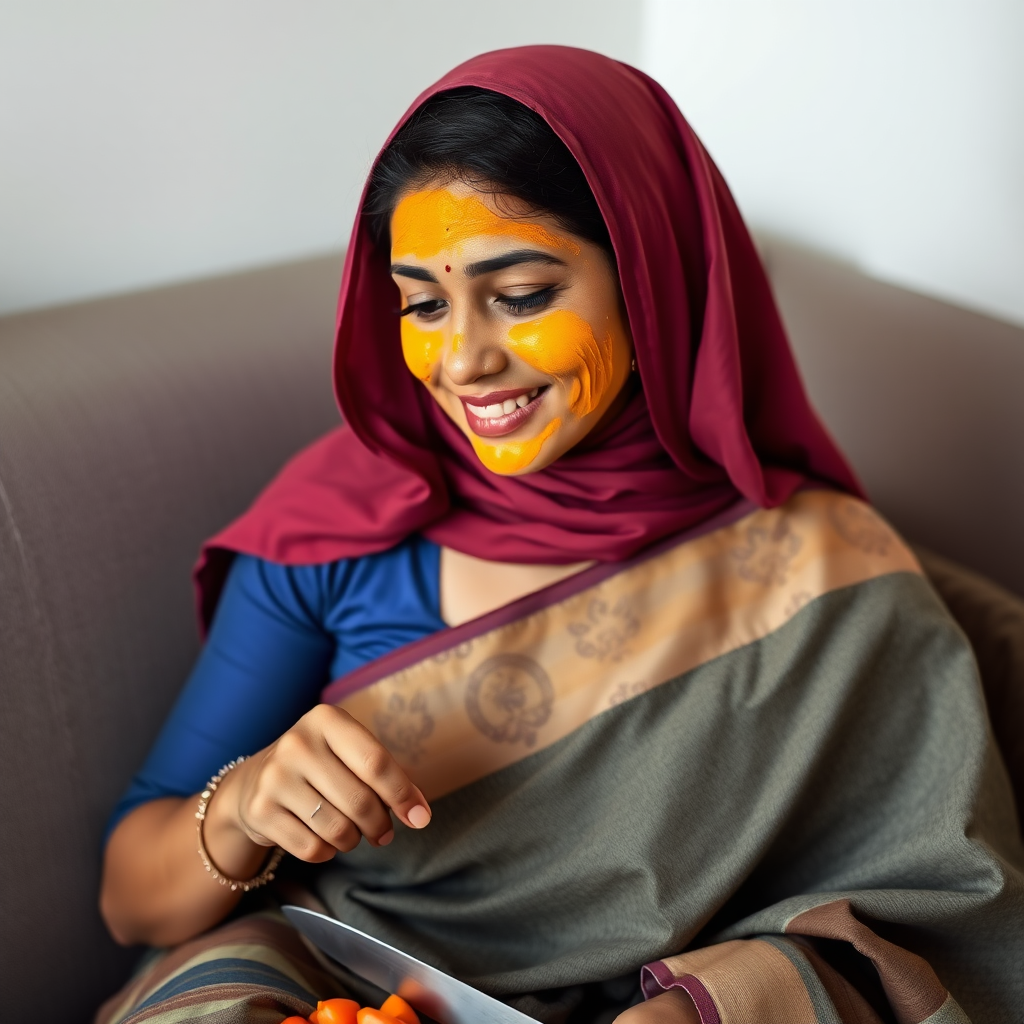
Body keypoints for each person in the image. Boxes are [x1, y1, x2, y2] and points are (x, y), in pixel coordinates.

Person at [98, 46, 1024, 1024]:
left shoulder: (819, 566)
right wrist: (244, 807)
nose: (462, 359)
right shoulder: (338, 526)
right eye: (421, 302)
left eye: (522, 294)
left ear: (650, 279)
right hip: (351, 990)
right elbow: (131, 896)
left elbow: (935, 921)